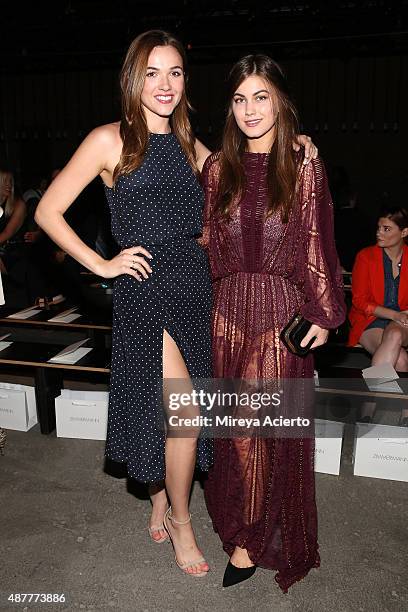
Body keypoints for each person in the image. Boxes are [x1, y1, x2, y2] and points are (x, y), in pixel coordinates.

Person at [35, 30, 317, 579]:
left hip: (197, 290)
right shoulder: (108, 141)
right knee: (184, 414)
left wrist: (296, 143)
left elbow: (250, 174)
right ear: (133, 80)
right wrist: (102, 265)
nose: (164, 84)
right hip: (146, 295)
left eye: (175, 72)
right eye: (152, 72)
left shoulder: (196, 151)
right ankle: (185, 525)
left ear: (186, 82)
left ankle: (163, 494)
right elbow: (48, 211)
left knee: (175, 414)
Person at [200, 55, 346, 590]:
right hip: (225, 314)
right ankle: (242, 529)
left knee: (261, 432)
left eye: (261, 97)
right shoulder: (217, 167)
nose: (250, 109)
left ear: (281, 101)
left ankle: (254, 537)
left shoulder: (304, 164)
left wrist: (324, 314)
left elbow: (315, 240)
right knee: (234, 433)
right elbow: (205, 242)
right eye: (240, 99)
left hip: (279, 315)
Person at [348, 206, 408, 425]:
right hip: (369, 320)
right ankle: (405, 416)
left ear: (404, 232)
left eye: (386, 229)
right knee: (400, 359)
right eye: (378, 228)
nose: (379, 233)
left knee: (394, 333)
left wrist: (402, 316)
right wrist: (394, 314)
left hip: (403, 321)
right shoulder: (366, 257)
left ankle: (369, 404)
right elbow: (359, 302)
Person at [0, 169, 27, 279]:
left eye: (10, 181)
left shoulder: (19, 204)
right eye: (4, 180)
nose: (9, 184)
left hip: (13, 252)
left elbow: (7, 233)